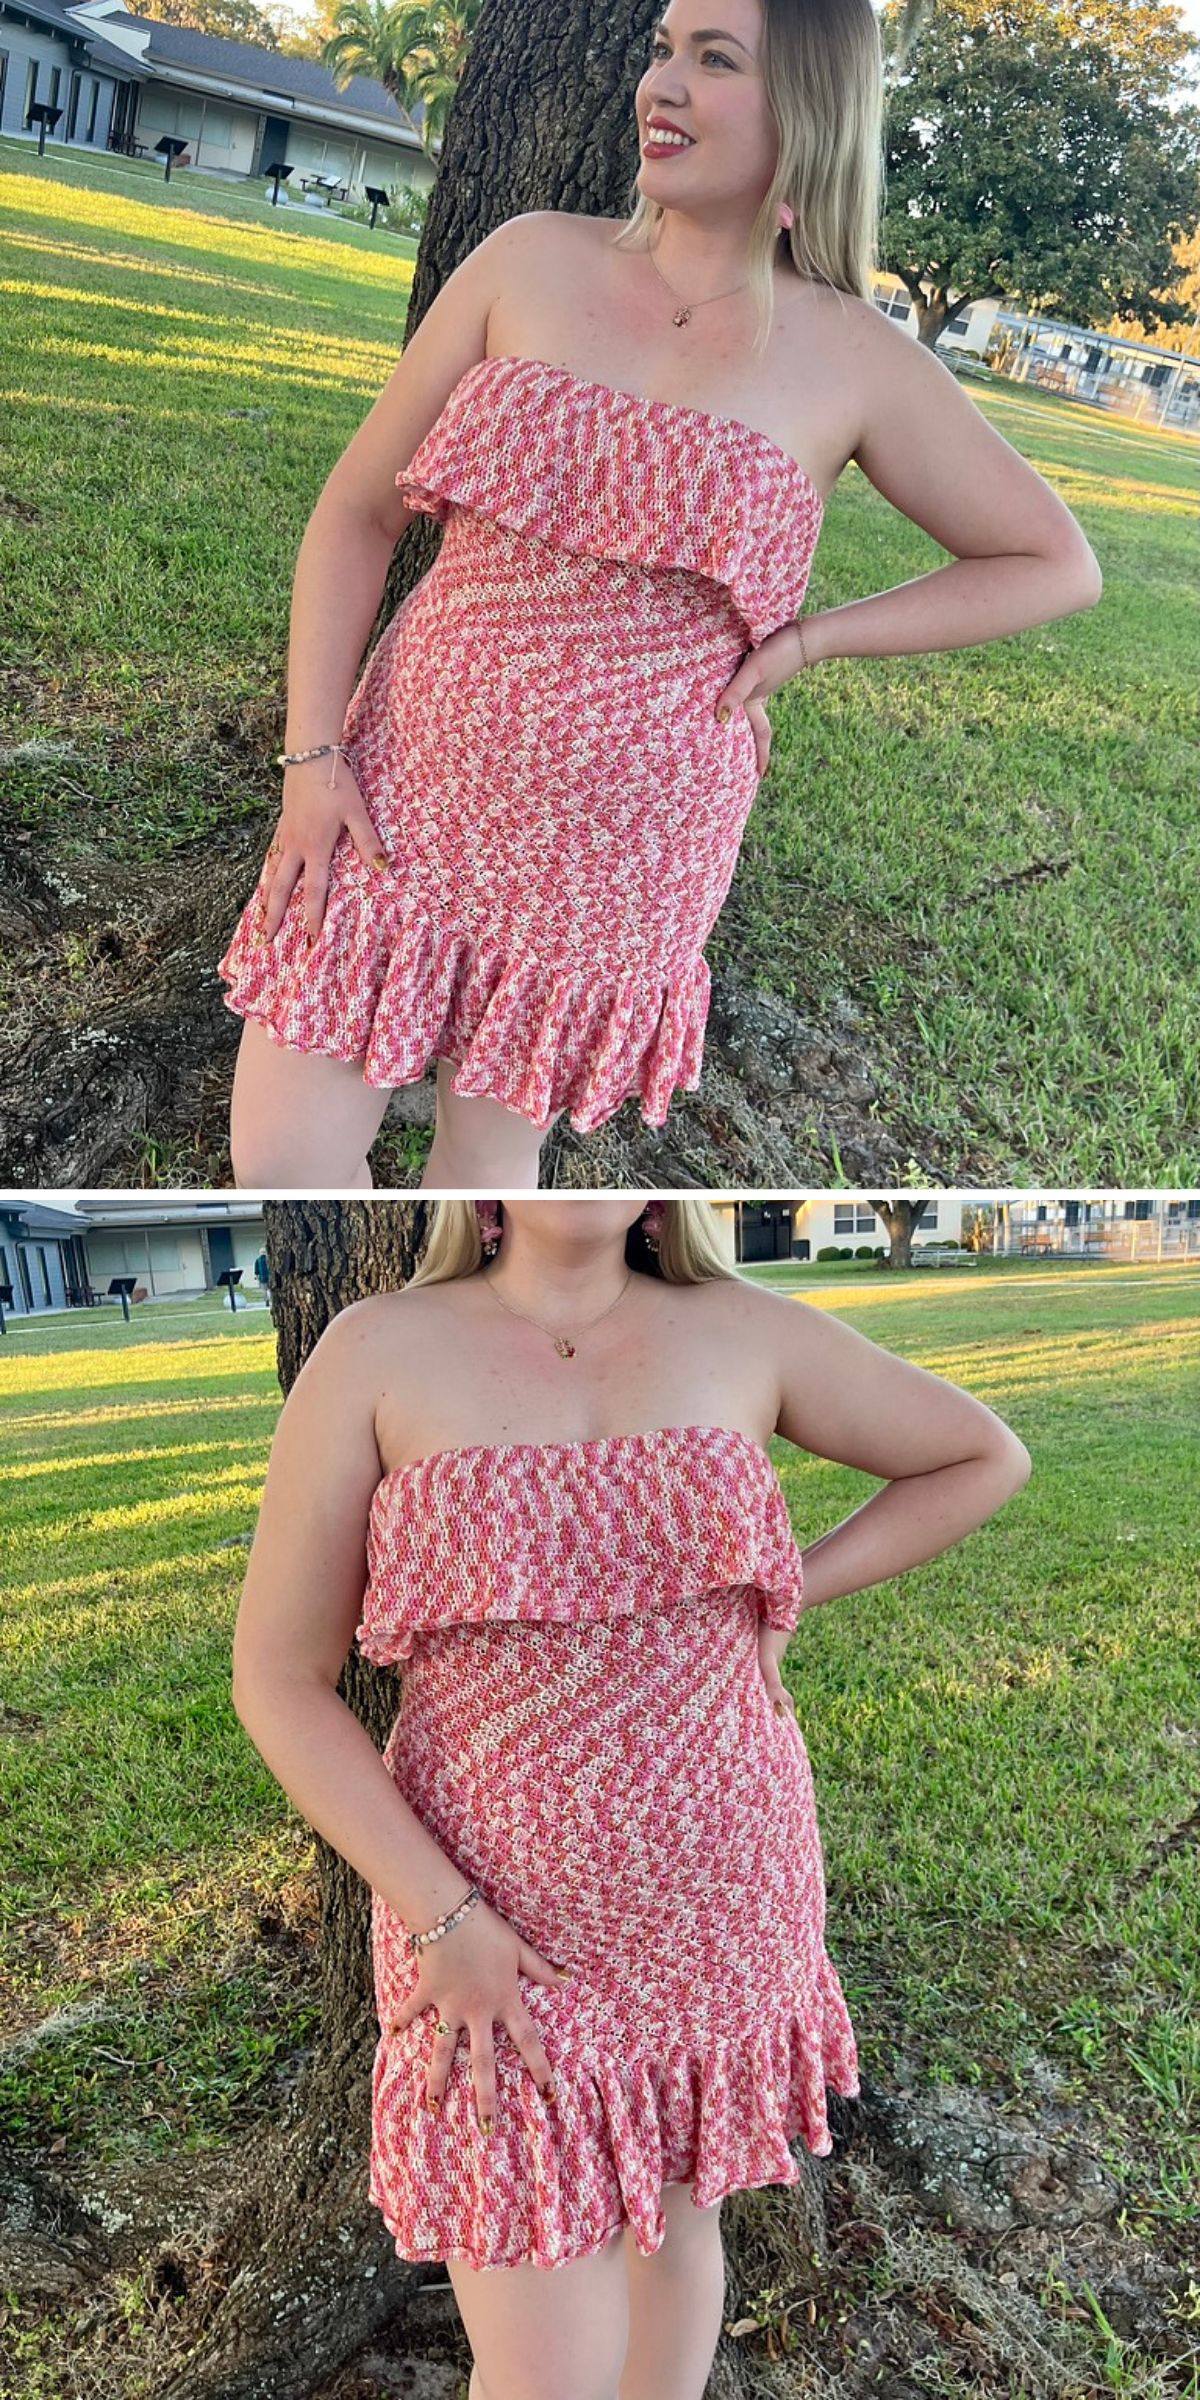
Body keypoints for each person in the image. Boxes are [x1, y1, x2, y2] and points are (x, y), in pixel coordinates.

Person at [216, 0, 1101, 1195]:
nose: (661, 86)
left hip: (622, 855)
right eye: (662, 49)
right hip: (403, 790)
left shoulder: (852, 357)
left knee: (484, 1171)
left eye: (714, 59)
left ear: (807, 111)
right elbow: (356, 514)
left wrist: (811, 642)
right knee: (285, 1157)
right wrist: (311, 758)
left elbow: (1053, 561)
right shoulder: (528, 259)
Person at [229, 1195, 1031, 2400]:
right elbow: (280, 1682)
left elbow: (982, 1457)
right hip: (492, 1933)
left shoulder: (746, 1330)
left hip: (724, 1900)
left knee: (675, 2229)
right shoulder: (375, 1350)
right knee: (543, 2363)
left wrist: (785, 1593)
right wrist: (446, 1920)